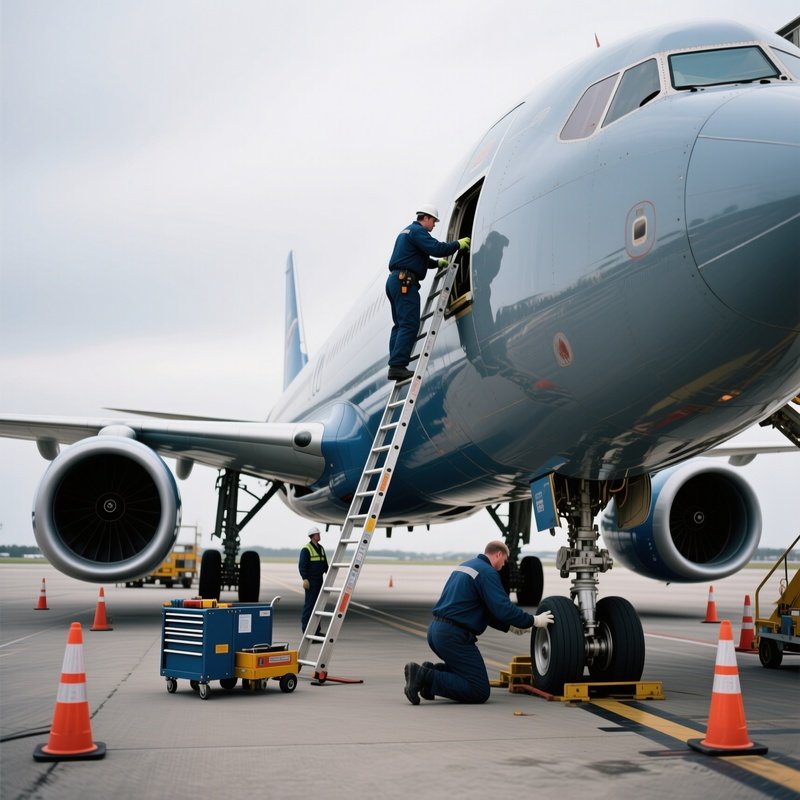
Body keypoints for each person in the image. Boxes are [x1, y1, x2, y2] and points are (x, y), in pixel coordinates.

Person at [403, 540, 554, 705]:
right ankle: (423, 676)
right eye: (505, 560)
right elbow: (502, 608)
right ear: (498, 554)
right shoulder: (487, 572)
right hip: (454, 636)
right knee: (478, 689)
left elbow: (483, 610)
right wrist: (533, 620)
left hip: (437, 631)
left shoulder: (466, 566)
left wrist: (511, 626)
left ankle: (431, 673)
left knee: (466, 674)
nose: (504, 565)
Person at [385, 204, 470, 381]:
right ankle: (398, 366)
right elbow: (437, 248)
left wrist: (434, 264)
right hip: (405, 282)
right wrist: (457, 244)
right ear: (426, 218)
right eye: (433, 221)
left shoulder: (406, 232)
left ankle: (395, 364)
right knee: (409, 323)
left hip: (395, 280)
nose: (434, 226)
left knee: (399, 325)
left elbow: (413, 256)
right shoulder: (418, 232)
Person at [299, 525, 328, 633]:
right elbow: (302, 565)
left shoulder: (321, 548)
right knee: (310, 606)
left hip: (319, 580)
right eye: (317, 534)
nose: (319, 535)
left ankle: (316, 631)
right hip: (311, 581)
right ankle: (306, 630)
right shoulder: (306, 549)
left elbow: (324, 564)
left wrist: (329, 573)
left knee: (317, 607)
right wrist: (305, 578)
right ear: (312, 536)